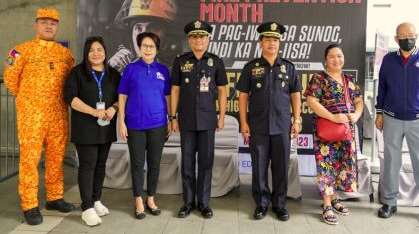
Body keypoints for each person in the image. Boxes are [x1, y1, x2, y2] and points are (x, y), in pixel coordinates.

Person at [3, 8, 75, 225]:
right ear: (36, 25)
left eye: (53, 23)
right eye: (44, 22)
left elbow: (71, 82)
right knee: (29, 161)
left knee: (55, 158)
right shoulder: (19, 51)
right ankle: (30, 204)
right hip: (31, 116)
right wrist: (29, 100)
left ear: (57, 26)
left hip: (58, 115)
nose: (48, 26)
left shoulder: (65, 54)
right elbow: (10, 79)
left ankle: (54, 197)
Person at [375, 22, 419, 227]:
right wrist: (379, 113)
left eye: (411, 35)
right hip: (392, 118)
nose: (408, 38)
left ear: (417, 36)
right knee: (391, 162)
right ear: (396, 39)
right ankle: (389, 202)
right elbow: (383, 89)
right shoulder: (388, 60)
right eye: (403, 36)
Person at [236, 22, 301, 221]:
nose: (272, 43)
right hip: (258, 126)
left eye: (275, 40)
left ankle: (279, 204)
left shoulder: (288, 67)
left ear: (279, 43)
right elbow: (243, 97)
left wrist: (297, 120)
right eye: (268, 40)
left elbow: (296, 95)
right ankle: (262, 204)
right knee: (259, 167)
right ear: (260, 42)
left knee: (281, 167)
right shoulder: (251, 68)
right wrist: (244, 123)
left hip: (282, 126)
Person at [170, 20, 228, 219]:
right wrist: (172, 117)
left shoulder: (216, 61)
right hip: (185, 119)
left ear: (208, 39)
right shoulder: (180, 61)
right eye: (194, 36)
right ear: (189, 39)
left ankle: (203, 202)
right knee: (187, 162)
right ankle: (188, 202)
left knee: (205, 162)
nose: (198, 40)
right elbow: (175, 90)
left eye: (202, 36)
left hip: (207, 120)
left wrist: (221, 117)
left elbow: (222, 90)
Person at [63, 37, 121, 226]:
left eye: (100, 49)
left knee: (101, 164)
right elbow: (70, 97)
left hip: (106, 126)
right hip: (85, 127)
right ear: (86, 54)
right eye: (91, 50)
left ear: (105, 51)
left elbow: (122, 97)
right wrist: (93, 111)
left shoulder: (113, 74)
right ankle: (86, 207)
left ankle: (96, 200)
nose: (96, 53)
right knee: (88, 165)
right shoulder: (77, 73)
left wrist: (113, 108)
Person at [304, 44, 363, 225]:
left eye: (339, 56)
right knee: (326, 165)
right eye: (332, 56)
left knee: (341, 165)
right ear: (325, 60)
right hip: (326, 130)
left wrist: (356, 114)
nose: (336, 59)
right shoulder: (319, 78)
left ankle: (335, 197)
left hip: (346, 131)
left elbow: (359, 101)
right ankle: (327, 204)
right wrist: (333, 117)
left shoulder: (349, 80)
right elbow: (312, 101)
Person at [118, 32, 172, 219]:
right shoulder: (131, 69)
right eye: (144, 46)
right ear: (139, 48)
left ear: (157, 49)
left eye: (151, 46)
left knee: (155, 164)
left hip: (158, 123)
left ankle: (151, 198)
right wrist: (121, 122)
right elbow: (122, 96)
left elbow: (167, 97)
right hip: (135, 124)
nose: (148, 49)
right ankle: (138, 200)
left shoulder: (164, 70)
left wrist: (170, 119)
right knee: (138, 164)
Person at [109, 0, 181, 73]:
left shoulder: (178, 72)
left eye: (153, 28)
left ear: (167, 34)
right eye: (138, 28)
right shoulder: (119, 70)